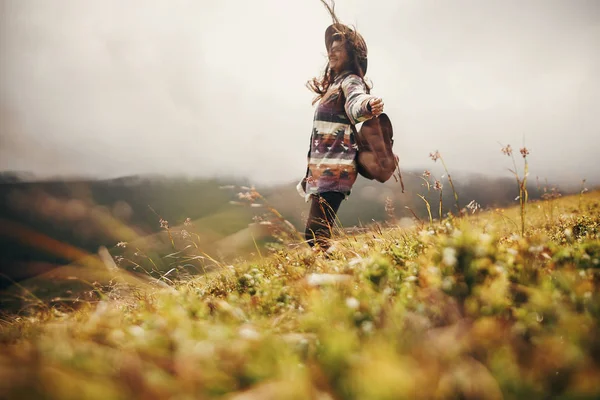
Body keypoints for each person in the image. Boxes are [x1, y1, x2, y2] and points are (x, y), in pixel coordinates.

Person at [298, 23, 384, 251]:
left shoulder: (350, 81)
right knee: (316, 234)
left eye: (338, 48)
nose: (331, 52)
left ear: (351, 54)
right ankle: (333, 270)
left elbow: (357, 101)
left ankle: (341, 270)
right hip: (322, 170)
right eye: (330, 48)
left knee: (315, 234)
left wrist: (368, 104)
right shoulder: (334, 85)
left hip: (335, 170)